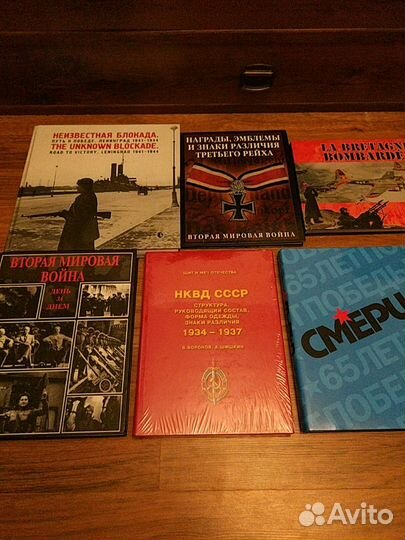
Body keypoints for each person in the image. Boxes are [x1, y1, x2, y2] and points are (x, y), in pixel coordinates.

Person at [58, 177, 99, 250]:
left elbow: (80, 216)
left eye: (79, 186)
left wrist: (66, 215)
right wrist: (67, 213)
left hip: (79, 231)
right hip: (83, 230)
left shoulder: (85, 198)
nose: (77, 187)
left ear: (85, 187)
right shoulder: (88, 196)